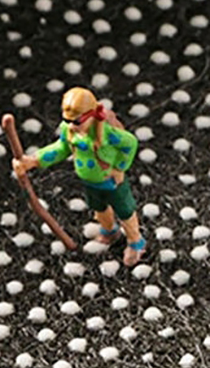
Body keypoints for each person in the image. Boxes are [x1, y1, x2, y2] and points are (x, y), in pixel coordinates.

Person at [13, 87, 146, 267]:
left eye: (76, 121)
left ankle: (136, 242)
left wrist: (119, 167)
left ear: (91, 114)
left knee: (125, 212)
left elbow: (130, 143)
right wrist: (34, 160)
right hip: (90, 182)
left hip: (112, 182)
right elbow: (60, 149)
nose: (71, 125)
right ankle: (109, 231)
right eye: (67, 120)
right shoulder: (70, 131)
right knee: (99, 209)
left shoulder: (106, 133)